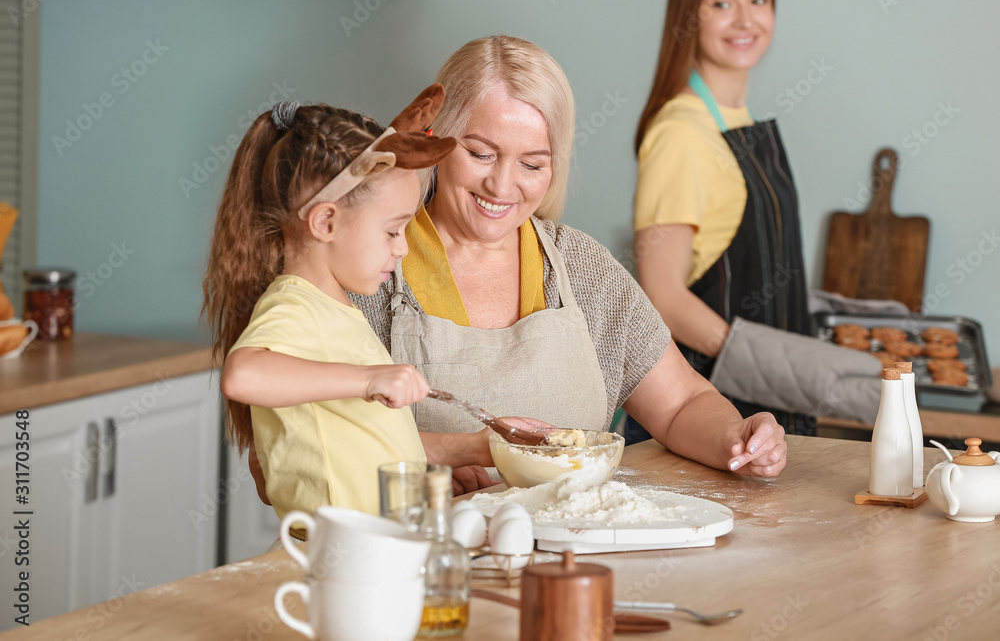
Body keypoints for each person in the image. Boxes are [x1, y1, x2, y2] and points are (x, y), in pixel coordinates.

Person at [340, 34, 788, 488]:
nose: (501, 185)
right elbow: (317, 439)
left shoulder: (580, 268)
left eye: (532, 165)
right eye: (481, 154)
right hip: (430, 551)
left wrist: (736, 438)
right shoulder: (372, 268)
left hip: (574, 546)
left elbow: (680, 404)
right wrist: (425, 467)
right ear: (434, 141)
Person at [203, 86, 515, 518]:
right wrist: (369, 379)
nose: (402, 248)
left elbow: (355, 436)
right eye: (392, 231)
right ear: (326, 221)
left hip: (375, 541)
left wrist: (468, 450)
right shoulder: (294, 304)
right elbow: (243, 375)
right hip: (336, 551)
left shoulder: (337, 305)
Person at [633, 0, 819, 437]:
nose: (745, 19)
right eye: (720, 3)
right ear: (688, 15)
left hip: (772, 398)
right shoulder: (681, 133)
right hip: (712, 410)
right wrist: (765, 364)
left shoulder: (741, 122)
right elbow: (663, 296)